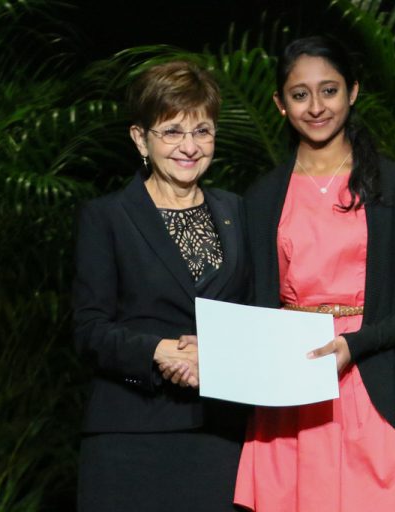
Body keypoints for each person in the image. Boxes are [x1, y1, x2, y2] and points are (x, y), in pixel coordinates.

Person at [234, 36, 395, 511]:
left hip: (370, 388)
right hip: (288, 393)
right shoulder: (261, 197)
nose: (316, 106)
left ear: (353, 92)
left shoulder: (392, 187)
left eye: (329, 90)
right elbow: (245, 302)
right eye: (300, 94)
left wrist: (357, 344)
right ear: (280, 104)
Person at [72, 60, 250, 512]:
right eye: (172, 131)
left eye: (202, 131)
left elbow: (257, 313)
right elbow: (89, 329)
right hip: (130, 437)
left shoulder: (240, 213)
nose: (189, 147)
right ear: (140, 138)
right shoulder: (106, 217)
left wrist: (221, 352)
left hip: (221, 437)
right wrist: (160, 351)